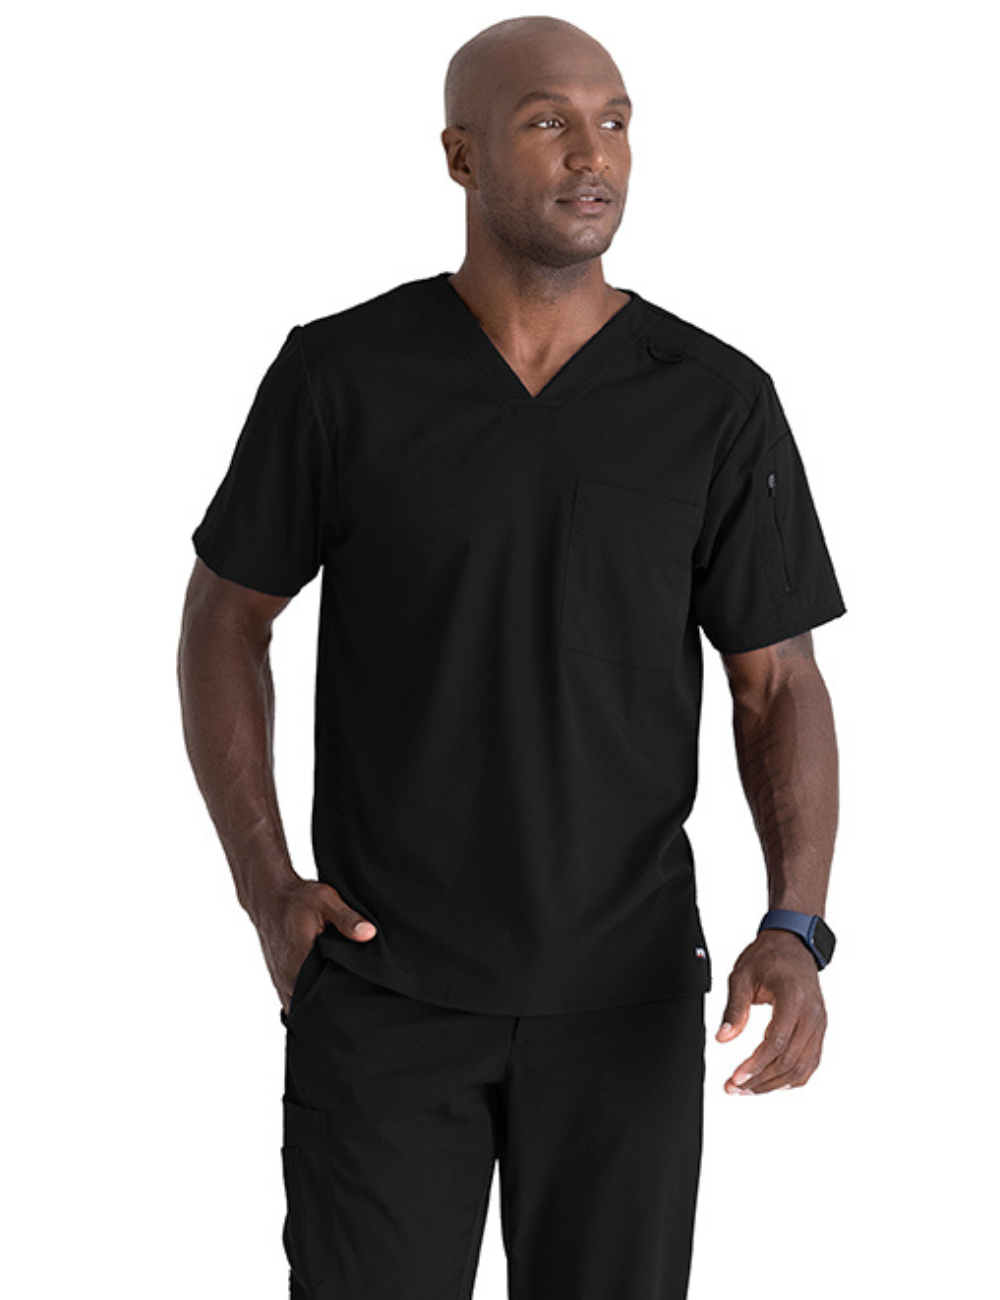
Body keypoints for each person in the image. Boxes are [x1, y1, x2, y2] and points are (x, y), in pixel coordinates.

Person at [177, 14, 847, 1300]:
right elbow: (224, 617)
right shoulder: (342, 375)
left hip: (623, 996)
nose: (592, 154)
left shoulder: (713, 400)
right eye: (547, 122)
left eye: (614, 121)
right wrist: (267, 886)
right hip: (383, 983)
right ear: (461, 156)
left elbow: (777, 682)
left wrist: (795, 922)